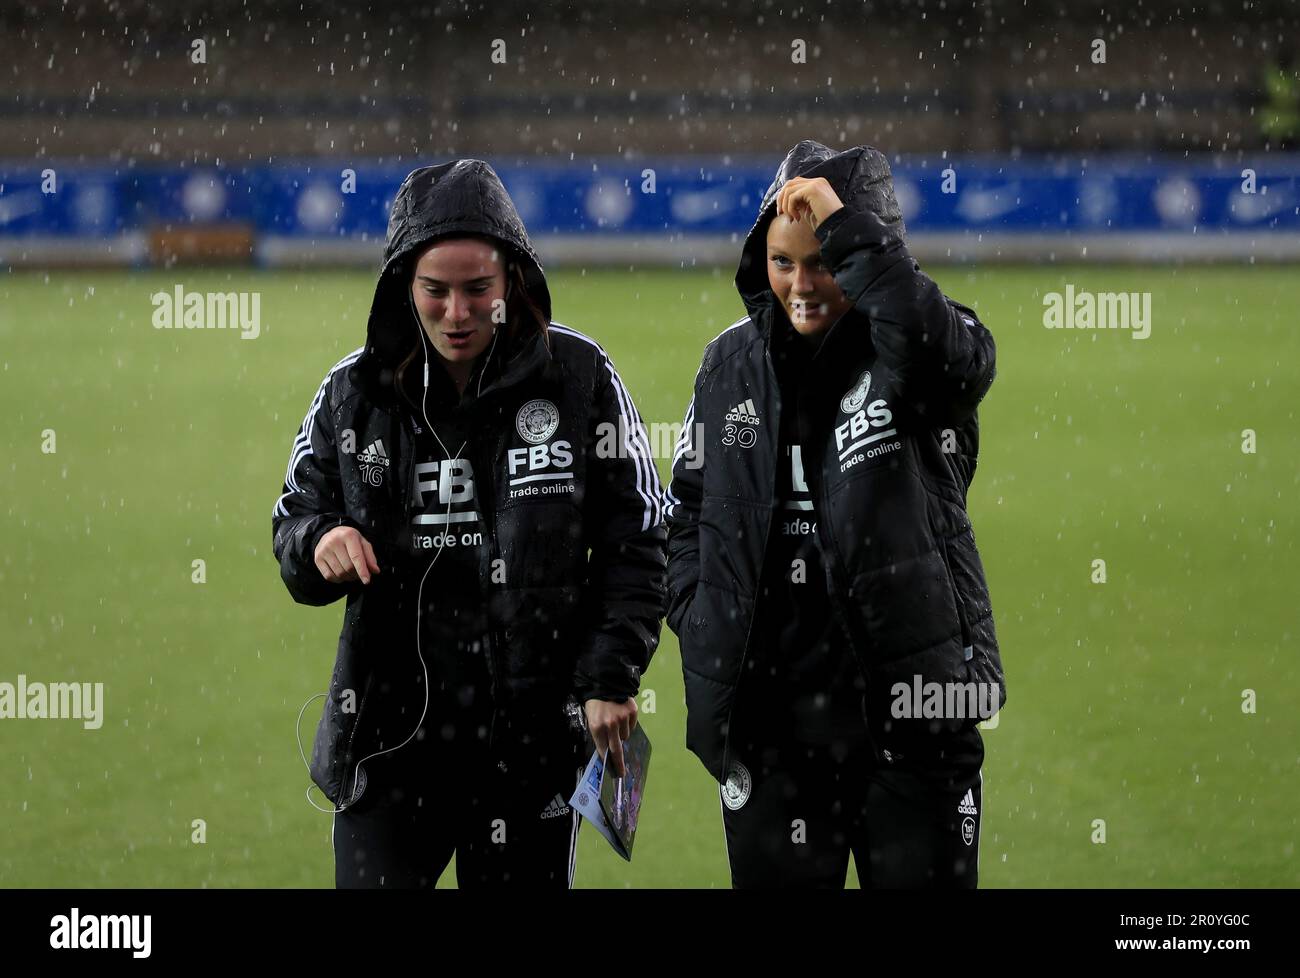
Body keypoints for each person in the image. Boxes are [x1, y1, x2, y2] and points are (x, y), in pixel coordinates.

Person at [272, 159, 666, 888]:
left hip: (528, 750)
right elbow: (296, 515)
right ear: (403, 287)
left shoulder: (580, 380)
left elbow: (641, 537)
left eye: (477, 290)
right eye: (436, 291)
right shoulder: (352, 394)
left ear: (511, 282)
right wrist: (319, 539)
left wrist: (610, 674)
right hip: (389, 748)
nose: (458, 312)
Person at [663, 140, 1005, 888]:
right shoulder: (728, 366)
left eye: (823, 262)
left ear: (865, 252)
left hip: (914, 730)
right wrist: (700, 614)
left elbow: (942, 348)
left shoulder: (920, 349)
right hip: (774, 736)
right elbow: (686, 512)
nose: (801, 285)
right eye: (783, 263)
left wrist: (847, 227)